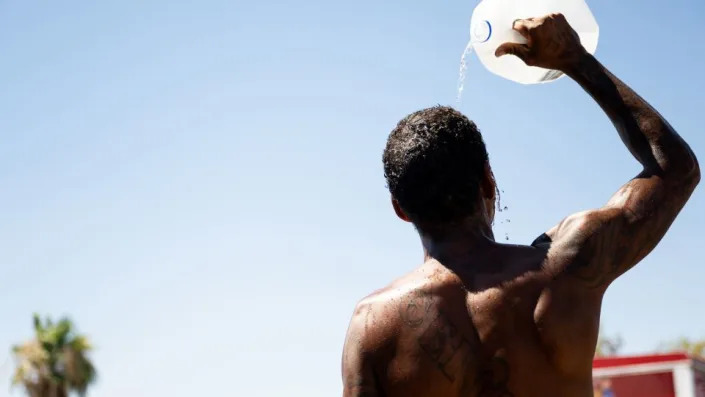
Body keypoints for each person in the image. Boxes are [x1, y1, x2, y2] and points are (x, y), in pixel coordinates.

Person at [341, 13, 700, 397]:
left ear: (401, 209)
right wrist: (575, 60)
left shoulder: (372, 326)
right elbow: (675, 169)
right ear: (487, 180)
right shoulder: (566, 268)